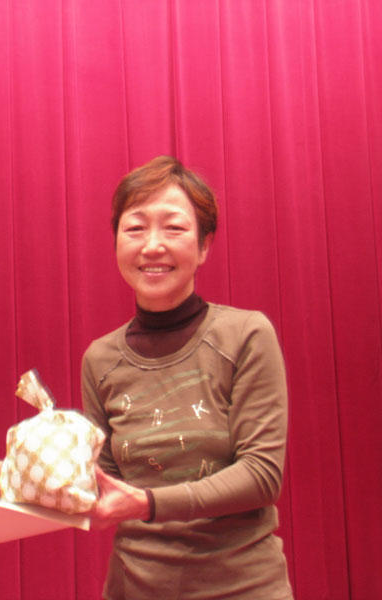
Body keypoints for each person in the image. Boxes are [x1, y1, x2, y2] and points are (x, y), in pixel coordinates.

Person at [82, 156, 293, 599]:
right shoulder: (100, 359)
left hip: (243, 587)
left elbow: (261, 475)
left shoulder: (245, 335)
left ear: (204, 246)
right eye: (135, 228)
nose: (152, 246)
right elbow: (103, 484)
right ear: (116, 241)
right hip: (134, 587)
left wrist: (149, 503)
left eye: (174, 228)